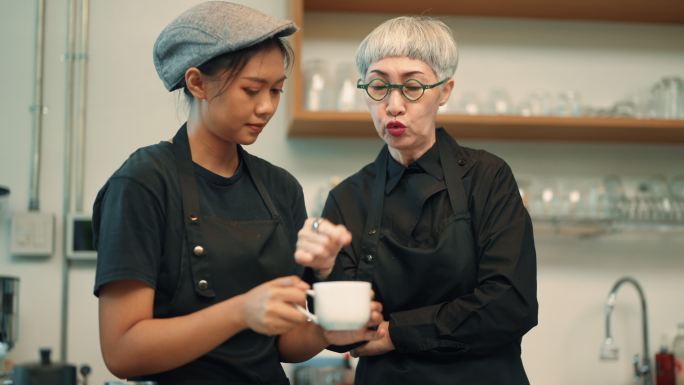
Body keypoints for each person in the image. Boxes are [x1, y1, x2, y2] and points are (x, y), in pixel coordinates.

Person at [92, 2, 382, 384]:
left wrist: (327, 331)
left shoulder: (280, 188)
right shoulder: (144, 182)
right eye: (251, 90)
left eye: (276, 90)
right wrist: (242, 311)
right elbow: (123, 351)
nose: (266, 107)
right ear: (197, 83)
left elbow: (281, 344)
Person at [295, 16, 538, 385]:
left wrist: (395, 334)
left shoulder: (487, 178)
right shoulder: (348, 197)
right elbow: (341, 333)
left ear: (445, 90)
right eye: (378, 86)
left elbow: (509, 304)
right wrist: (326, 269)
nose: (393, 105)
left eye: (412, 87)